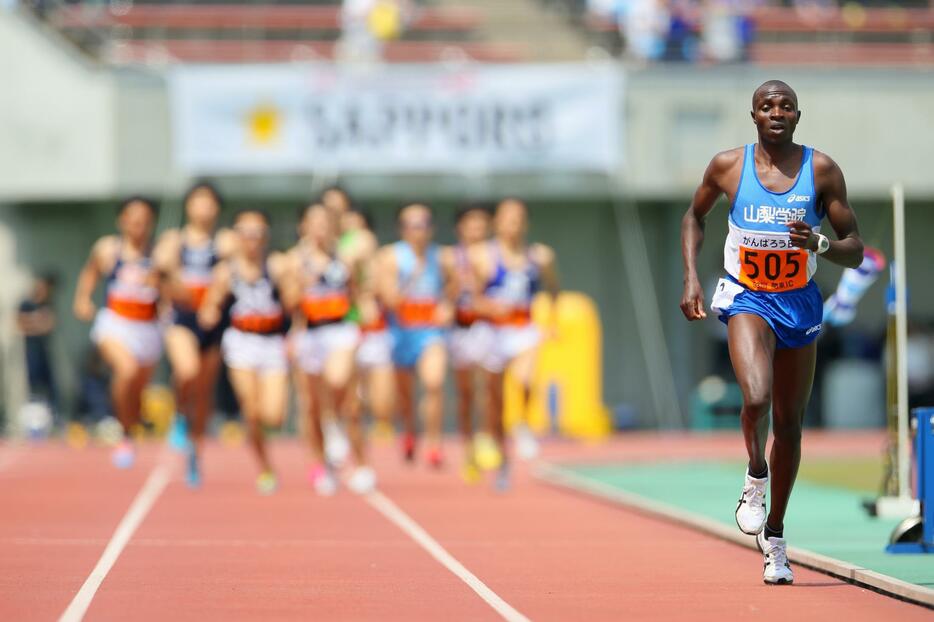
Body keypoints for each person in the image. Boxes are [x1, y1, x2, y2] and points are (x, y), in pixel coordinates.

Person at [679, 80, 863, 585]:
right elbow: (694, 217)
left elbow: (856, 248)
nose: (776, 112)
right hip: (747, 295)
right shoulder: (728, 167)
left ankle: (776, 539)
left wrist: (820, 243)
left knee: (790, 423)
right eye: (767, 106)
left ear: (797, 116)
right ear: (753, 115)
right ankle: (754, 475)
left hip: (798, 300)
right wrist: (693, 278)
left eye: (785, 106)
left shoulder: (820, 170)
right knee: (755, 398)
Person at [199, 209, 299, 494]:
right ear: (236, 237)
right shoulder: (226, 271)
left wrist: (294, 286)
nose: (252, 240)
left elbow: (293, 302)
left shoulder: (277, 265)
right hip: (241, 341)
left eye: (258, 234)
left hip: (272, 343)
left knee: (274, 415)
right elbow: (211, 303)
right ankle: (265, 466)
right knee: (252, 411)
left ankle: (265, 443)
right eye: (246, 233)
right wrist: (208, 312)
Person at [470, 198, 559, 490]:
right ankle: (502, 458)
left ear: (526, 223)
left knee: (524, 379)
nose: (513, 225)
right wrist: (490, 307)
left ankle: (521, 425)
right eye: (508, 218)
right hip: (494, 333)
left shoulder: (540, 256)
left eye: (519, 218)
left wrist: (552, 322)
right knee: (493, 403)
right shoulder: (483, 256)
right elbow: (473, 299)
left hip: (524, 330)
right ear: (496, 222)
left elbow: (554, 289)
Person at [288, 203, 374, 495]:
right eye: (314, 222)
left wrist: (365, 309)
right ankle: (319, 464)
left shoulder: (345, 257)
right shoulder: (294, 260)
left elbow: (358, 292)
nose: (320, 228)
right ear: (304, 227)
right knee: (311, 404)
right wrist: (299, 284)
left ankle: (349, 446)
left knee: (339, 386)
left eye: (326, 222)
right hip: (310, 333)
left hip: (340, 330)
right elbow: (288, 303)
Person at [154, 181, 236, 487]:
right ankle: (177, 415)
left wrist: (213, 300)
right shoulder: (174, 240)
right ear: (188, 206)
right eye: (198, 201)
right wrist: (179, 289)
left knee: (203, 394)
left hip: (213, 322)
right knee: (187, 371)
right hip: (183, 319)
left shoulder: (224, 241)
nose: (204, 208)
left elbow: (229, 273)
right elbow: (162, 271)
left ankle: (194, 453)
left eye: (210, 202)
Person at [73, 196, 162, 468]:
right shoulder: (109, 249)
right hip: (115, 324)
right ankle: (123, 433)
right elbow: (90, 273)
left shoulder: (158, 253)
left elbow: (171, 289)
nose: (138, 224)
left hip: (147, 327)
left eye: (144, 218)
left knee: (137, 388)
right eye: (133, 217)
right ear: (122, 220)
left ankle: (130, 425)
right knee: (127, 370)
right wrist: (83, 298)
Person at [378, 202, 455, 468]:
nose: (418, 231)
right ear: (402, 229)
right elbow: (388, 299)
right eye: (412, 225)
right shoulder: (391, 257)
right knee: (405, 395)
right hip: (401, 333)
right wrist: (410, 280)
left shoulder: (443, 257)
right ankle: (410, 430)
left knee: (434, 383)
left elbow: (455, 286)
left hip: (430, 333)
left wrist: (447, 305)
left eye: (423, 225)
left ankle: (434, 443)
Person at [323, 188, 396, 446]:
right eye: (328, 210)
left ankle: (348, 434)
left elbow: (359, 263)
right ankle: (333, 431)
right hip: (337, 327)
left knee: (381, 404)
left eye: (340, 210)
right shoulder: (317, 246)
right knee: (338, 388)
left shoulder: (358, 240)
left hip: (368, 325)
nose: (336, 215)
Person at [449, 202, 495, 483]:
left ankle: (486, 437)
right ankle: (468, 450)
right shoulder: (450, 258)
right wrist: (458, 282)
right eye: (471, 223)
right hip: (460, 329)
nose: (476, 229)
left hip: (485, 327)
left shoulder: (495, 255)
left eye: (481, 223)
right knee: (465, 394)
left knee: (486, 386)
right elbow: (442, 294)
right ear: (460, 228)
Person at [18, 273, 59, 414]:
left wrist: (32, 322)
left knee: (50, 386)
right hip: (29, 352)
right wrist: (37, 322)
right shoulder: (26, 304)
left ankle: (53, 415)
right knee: (32, 385)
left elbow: (49, 325)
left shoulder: (47, 304)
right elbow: (19, 324)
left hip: (45, 352)